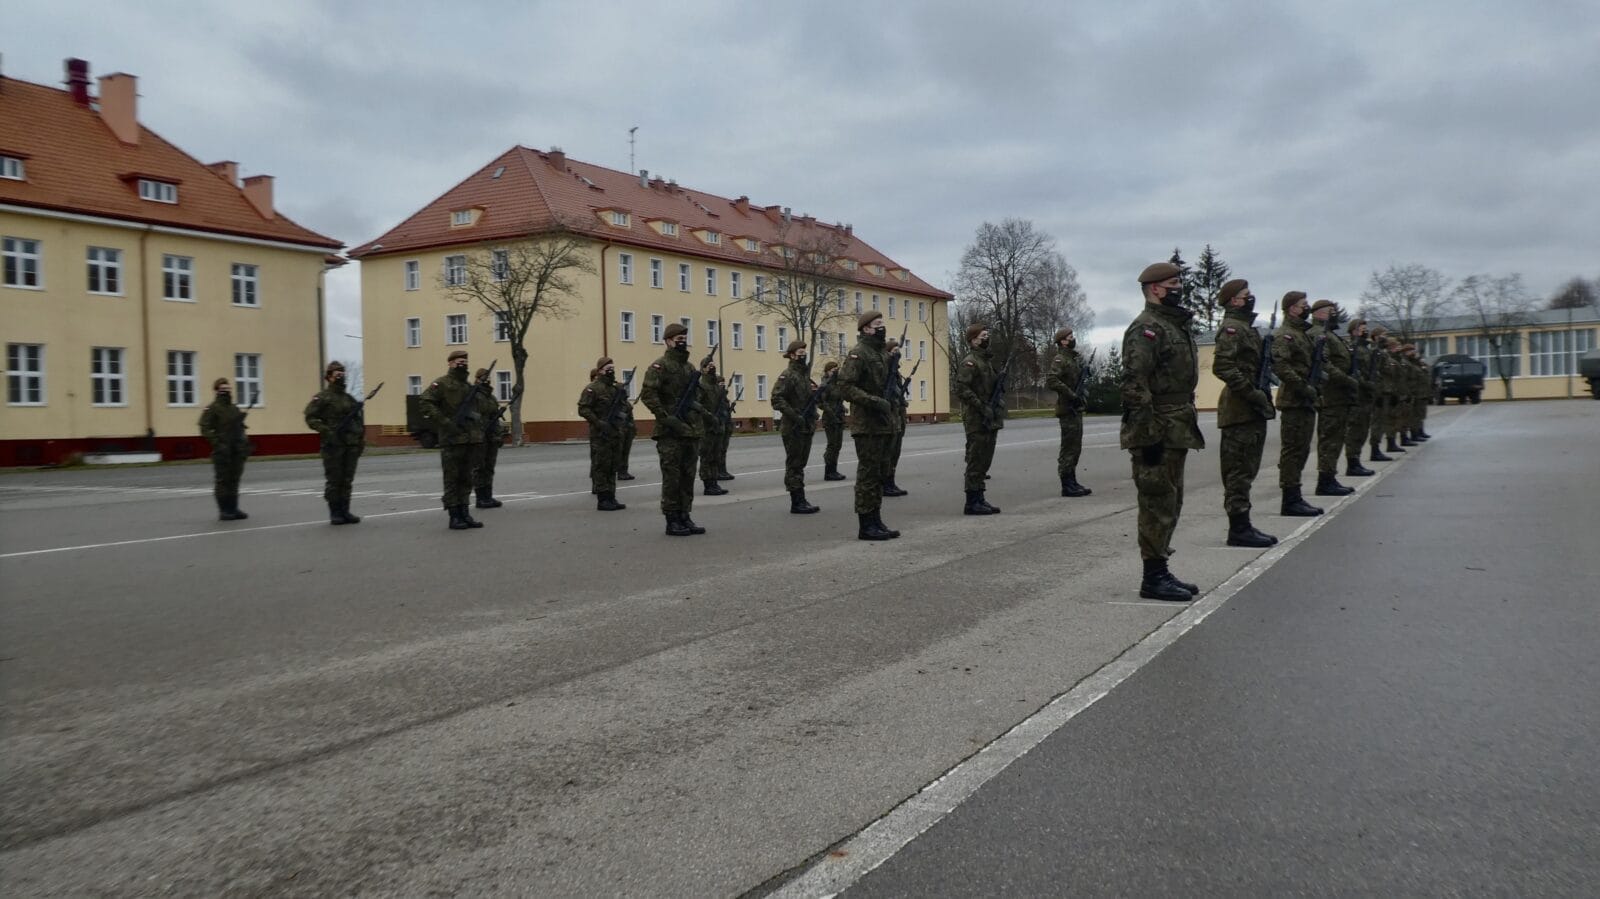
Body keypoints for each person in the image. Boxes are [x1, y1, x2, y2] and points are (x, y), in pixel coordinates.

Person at [1121, 262, 1205, 601]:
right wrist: (1148, 434)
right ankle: (1153, 578)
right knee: (1157, 502)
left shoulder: (1172, 326)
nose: (1179, 288)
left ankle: (1161, 570)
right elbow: (1134, 385)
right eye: (1173, 283)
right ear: (1155, 288)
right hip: (1157, 426)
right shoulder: (1146, 329)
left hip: (1176, 424)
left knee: (1171, 500)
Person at [1209, 279, 1277, 547]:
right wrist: (1253, 393)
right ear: (1234, 301)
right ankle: (1238, 528)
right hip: (1240, 410)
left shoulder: (1246, 328)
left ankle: (1244, 524)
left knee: (1247, 469)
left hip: (1251, 409)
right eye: (1246, 295)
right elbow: (1222, 366)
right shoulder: (1232, 328)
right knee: (1238, 471)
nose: (1251, 298)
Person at [835, 312, 899, 540]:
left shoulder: (881, 353)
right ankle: (865, 524)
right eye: (877, 325)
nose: (882, 328)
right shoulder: (858, 353)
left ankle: (876, 518)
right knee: (867, 475)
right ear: (866, 329)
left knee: (880, 472)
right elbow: (845, 386)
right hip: (867, 424)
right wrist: (873, 401)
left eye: (883, 324)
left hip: (883, 422)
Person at [641, 322, 709, 536]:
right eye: (677, 339)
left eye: (684, 338)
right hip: (670, 432)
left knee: (688, 476)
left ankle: (685, 515)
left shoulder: (688, 368)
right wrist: (667, 418)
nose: (682, 342)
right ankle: (672, 519)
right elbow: (648, 395)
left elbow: (697, 395)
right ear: (668, 341)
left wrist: (695, 411)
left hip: (690, 430)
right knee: (672, 477)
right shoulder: (659, 366)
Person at [418, 349, 485, 530]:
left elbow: (479, 411)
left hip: (469, 439)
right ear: (450, 363)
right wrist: (445, 422)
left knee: (466, 479)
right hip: (452, 439)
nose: (462, 364)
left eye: (464, 361)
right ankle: (454, 515)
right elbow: (425, 401)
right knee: (452, 479)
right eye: (458, 361)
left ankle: (465, 512)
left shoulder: (468, 386)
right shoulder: (441, 383)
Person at [1273, 291, 1324, 517]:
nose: (1307, 308)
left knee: (1302, 449)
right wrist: (1304, 387)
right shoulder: (1286, 335)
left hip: (1306, 399)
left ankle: (1295, 495)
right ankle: (1290, 499)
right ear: (1292, 308)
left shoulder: (1301, 334)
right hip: (1294, 400)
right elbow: (1282, 367)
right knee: (1293, 451)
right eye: (1304, 304)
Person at [303, 360, 365, 524]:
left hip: (350, 445)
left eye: (342, 374)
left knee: (347, 479)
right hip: (333, 446)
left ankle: (345, 511)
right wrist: (326, 431)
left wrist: (359, 440)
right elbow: (310, 417)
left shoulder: (349, 399)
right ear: (329, 377)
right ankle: (335, 512)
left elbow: (358, 421)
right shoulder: (322, 397)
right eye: (337, 374)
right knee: (334, 479)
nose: (341, 377)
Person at [953, 323, 1004, 515]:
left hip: (989, 416)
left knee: (985, 459)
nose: (986, 338)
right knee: (976, 459)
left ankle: (980, 496)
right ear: (973, 339)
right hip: (976, 417)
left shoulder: (986, 361)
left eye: (987, 335)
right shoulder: (970, 362)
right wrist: (981, 406)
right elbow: (962, 388)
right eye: (983, 336)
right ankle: (972, 501)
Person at [1310, 300, 1357, 497]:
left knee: (1336, 439)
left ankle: (1329, 477)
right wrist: (1345, 379)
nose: (1335, 314)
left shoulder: (1330, 334)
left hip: (1339, 396)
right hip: (1330, 395)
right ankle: (1325, 481)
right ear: (1320, 313)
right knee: (1329, 439)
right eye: (1331, 311)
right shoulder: (1319, 334)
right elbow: (1324, 363)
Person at [770, 340, 822, 513]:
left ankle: (801, 498)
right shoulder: (788, 375)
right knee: (794, 464)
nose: (803, 356)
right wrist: (794, 415)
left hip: (806, 425)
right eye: (800, 353)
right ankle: (797, 501)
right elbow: (777, 399)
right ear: (792, 355)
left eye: (804, 353)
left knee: (801, 463)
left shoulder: (804, 376)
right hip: (793, 427)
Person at [1044, 326, 1092, 497]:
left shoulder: (1073, 359)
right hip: (1067, 407)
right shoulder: (1060, 359)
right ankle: (1066, 483)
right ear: (1063, 341)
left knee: (1075, 447)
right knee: (1068, 447)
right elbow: (1052, 379)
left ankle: (1072, 480)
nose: (1073, 339)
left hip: (1076, 408)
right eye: (1070, 337)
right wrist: (1071, 394)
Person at [576, 357, 627, 511]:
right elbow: (583, 409)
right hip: (600, 435)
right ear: (599, 371)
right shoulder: (592, 388)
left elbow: (624, 407)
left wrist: (622, 397)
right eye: (608, 369)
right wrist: (598, 422)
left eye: (612, 368)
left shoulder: (614, 389)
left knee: (613, 466)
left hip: (615, 433)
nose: (611, 371)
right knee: (601, 466)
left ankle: (611, 496)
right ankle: (603, 498)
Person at [199, 376, 251, 521]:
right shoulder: (213, 408)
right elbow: (204, 427)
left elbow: (239, 428)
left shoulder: (233, 408)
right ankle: (224, 510)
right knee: (223, 480)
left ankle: (233, 508)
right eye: (223, 389)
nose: (226, 391)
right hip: (222, 450)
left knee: (234, 479)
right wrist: (216, 442)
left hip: (236, 449)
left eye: (228, 388)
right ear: (216, 390)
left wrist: (244, 444)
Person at [1343, 318, 1379, 477]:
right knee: (1355, 431)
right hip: (1357, 395)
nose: (1365, 331)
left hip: (1366, 396)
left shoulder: (1366, 349)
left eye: (1366, 328)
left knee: (1363, 429)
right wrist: (1366, 384)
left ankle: (1356, 460)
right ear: (1354, 331)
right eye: (1362, 328)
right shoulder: (1353, 348)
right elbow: (1355, 372)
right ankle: (1352, 463)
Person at [472, 368, 505, 509]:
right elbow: (472, 415)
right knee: (479, 467)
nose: (488, 379)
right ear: (478, 378)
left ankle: (488, 496)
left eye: (489, 377)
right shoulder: (474, 395)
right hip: (479, 435)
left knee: (489, 467)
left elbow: (493, 417)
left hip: (491, 435)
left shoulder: (490, 397)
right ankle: (480, 498)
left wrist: (498, 415)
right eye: (485, 377)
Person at [882, 339, 909, 497]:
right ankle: (885, 483)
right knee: (889, 451)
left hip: (898, 415)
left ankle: (891, 481)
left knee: (896, 451)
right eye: (894, 351)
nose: (897, 354)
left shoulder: (896, 371)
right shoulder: (886, 370)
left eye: (898, 351)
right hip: (890, 415)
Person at [698, 365, 729, 496]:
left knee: (716, 456)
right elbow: (697, 405)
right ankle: (708, 484)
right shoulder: (701, 386)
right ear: (703, 369)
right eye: (707, 365)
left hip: (717, 426)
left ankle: (714, 481)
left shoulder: (716, 386)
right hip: (706, 427)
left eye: (712, 364)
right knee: (707, 456)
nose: (711, 367)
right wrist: (708, 416)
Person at [1366, 327, 1396, 461]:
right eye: (1383, 335)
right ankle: (1374, 450)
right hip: (1378, 392)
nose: (1386, 338)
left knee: (1383, 421)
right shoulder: (1374, 351)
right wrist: (1376, 392)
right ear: (1376, 336)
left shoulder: (1383, 352)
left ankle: (1377, 448)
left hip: (1385, 391)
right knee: (1377, 422)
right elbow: (1374, 372)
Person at [820, 360, 848, 481]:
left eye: (837, 370)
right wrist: (831, 413)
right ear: (827, 372)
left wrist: (843, 408)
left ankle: (834, 469)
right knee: (832, 445)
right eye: (833, 370)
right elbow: (821, 402)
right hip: (830, 419)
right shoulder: (825, 385)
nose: (836, 372)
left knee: (838, 445)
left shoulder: (837, 384)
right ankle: (829, 471)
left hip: (839, 418)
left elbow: (838, 400)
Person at [615, 375, 637, 481]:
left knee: (626, 452)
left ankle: (624, 470)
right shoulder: (615, 403)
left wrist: (633, 427)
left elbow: (630, 416)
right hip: (620, 431)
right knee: (619, 452)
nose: (625, 391)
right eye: (623, 389)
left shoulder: (626, 403)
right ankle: (620, 472)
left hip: (628, 430)